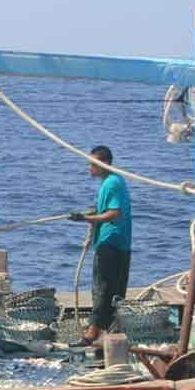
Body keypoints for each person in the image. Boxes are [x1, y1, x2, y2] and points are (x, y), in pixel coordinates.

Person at [69, 145, 132, 346]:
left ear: (103, 163)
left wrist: (87, 218)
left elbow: (114, 213)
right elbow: (108, 208)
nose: (89, 167)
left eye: (92, 163)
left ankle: (93, 332)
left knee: (102, 288)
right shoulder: (115, 180)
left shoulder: (111, 183)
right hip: (121, 242)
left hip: (109, 242)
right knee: (115, 288)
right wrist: (92, 212)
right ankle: (111, 328)